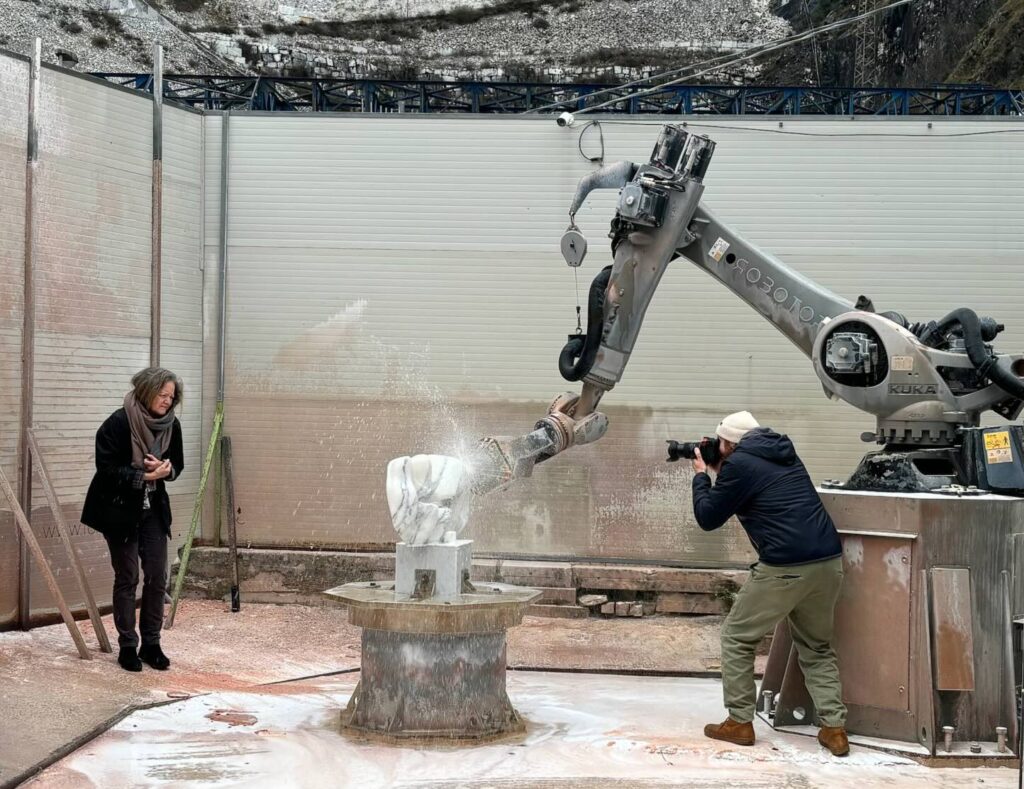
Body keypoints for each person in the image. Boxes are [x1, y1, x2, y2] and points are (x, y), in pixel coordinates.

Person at [689, 410, 849, 757]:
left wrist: (702, 476)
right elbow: (757, 488)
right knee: (816, 646)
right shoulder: (784, 454)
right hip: (828, 562)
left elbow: (707, 517)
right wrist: (723, 470)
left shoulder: (739, 465)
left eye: (720, 444)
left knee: (736, 637)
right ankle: (834, 729)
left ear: (728, 443)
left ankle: (739, 722)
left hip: (784, 567)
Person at [81, 368, 184, 672]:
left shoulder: (171, 425)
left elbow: (177, 464)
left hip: (153, 510)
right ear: (146, 391)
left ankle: (151, 643)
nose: (168, 401)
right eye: (162, 395)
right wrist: (143, 475)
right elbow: (107, 469)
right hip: (119, 510)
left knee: (156, 575)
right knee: (128, 577)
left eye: (171, 396)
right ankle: (128, 645)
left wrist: (166, 470)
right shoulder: (117, 422)